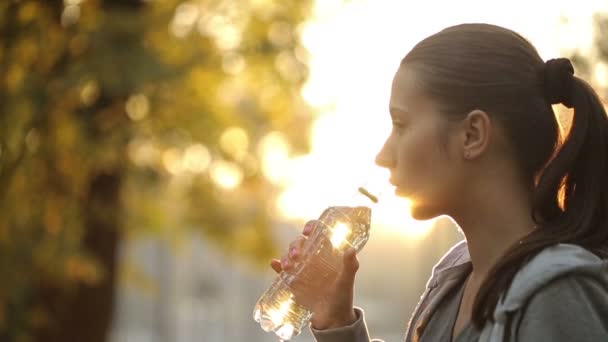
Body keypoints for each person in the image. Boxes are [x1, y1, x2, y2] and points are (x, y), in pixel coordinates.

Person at [270, 23, 608, 342]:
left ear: (472, 135)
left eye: (401, 125)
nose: (383, 155)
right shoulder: (454, 276)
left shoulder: (555, 293)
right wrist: (336, 321)